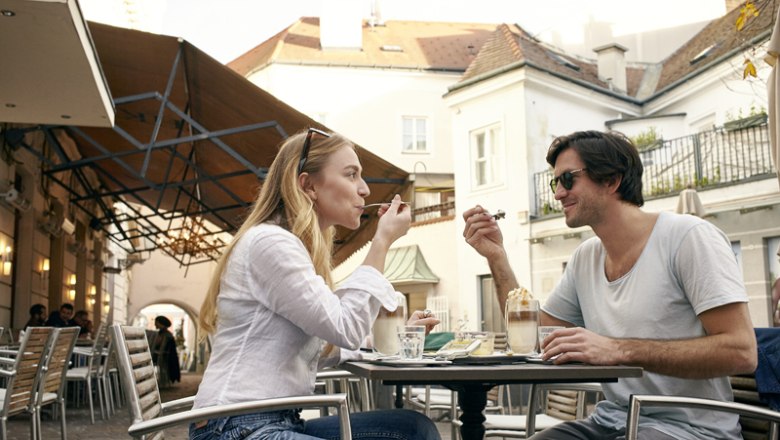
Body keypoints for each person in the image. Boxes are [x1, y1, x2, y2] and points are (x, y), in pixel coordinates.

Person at [463, 130, 757, 440]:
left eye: (567, 180)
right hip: (611, 421)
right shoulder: (586, 257)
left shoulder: (689, 238)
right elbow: (533, 337)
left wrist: (617, 349)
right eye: (555, 183)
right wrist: (496, 256)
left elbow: (741, 351)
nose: (558, 194)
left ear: (611, 180)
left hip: (691, 431)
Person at [192, 128, 440, 440]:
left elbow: (327, 345)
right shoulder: (271, 244)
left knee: (413, 429)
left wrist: (395, 338)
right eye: (351, 175)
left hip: (275, 421)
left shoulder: (292, 247)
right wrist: (382, 240)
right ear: (308, 185)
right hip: (235, 427)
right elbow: (344, 328)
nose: (364, 189)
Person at [152, 315, 180, 388]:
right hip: (164, 355)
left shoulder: (165, 335)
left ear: (160, 323)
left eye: (156, 322)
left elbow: (161, 346)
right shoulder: (165, 333)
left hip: (165, 356)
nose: (155, 324)